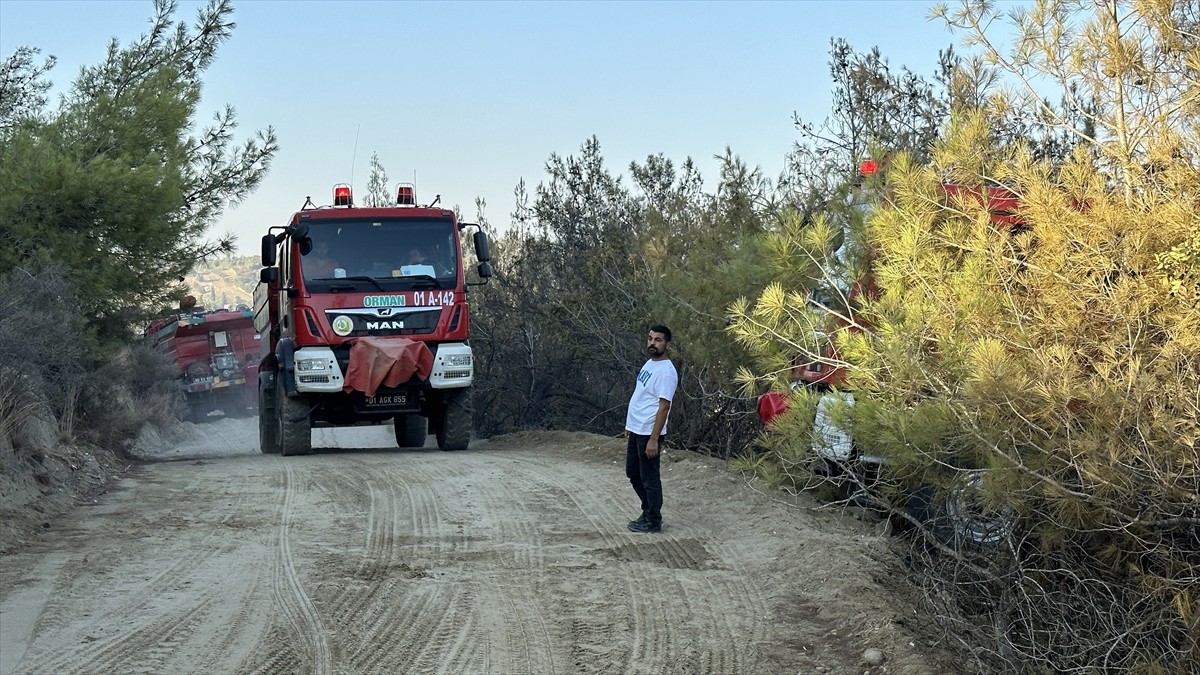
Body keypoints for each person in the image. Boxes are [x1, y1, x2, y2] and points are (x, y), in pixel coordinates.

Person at [624, 324, 678, 533]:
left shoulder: (667, 372)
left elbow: (664, 406)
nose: (652, 343)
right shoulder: (650, 364)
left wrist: (654, 438)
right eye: (650, 339)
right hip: (637, 429)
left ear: (667, 344)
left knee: (649, 477)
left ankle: (653, 520)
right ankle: (648, 511)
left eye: (658, 340)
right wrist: (630, 425)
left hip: (649, 432)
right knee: (633, 473)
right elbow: (642, 396)